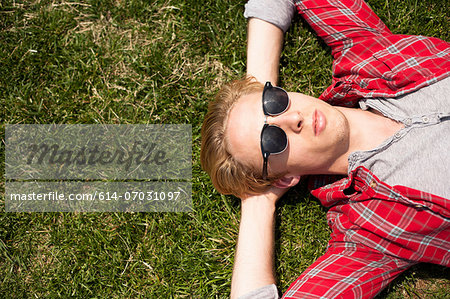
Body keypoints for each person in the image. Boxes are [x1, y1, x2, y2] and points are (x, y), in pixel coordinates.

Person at [200, 0, 450, 298]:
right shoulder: (369, 232)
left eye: (275, 102)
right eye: (271, 140)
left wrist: (256, 86)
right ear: (284, 179)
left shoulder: (366, 56)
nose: (293, 118)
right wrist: (258, 203)